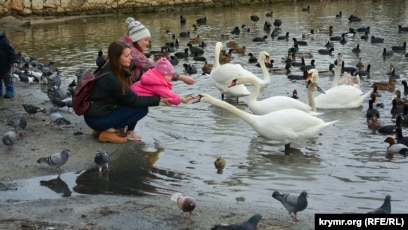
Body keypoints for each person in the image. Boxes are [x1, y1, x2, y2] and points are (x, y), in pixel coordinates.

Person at [84, 41, 170, 143]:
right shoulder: (112, 78)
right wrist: (158, 99)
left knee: (132, 102)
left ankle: (102, 129)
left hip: (94, 115)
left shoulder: (109, 66)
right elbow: (134, 100)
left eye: (130, 55)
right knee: (141, 109)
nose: (130, 58)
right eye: (126, 56)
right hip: (96, 119)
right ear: (117, 58)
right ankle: (108, 132)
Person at [119, 17, 196, 85]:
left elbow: (144, 64)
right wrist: (182, 78)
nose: (148, 43)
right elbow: (158, 69)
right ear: (136, 39)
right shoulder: (132, 52)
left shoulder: (126, 47)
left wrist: (145, 61)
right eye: (145, 40)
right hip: (126, 91)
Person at [131, 57, 196, 105]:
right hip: (133, 98)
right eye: (169, 75)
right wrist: (181, 99)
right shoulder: (156, 83)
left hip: (132, 93)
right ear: (162, 75)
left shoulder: (151, 77)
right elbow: (169, 95)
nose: (171, 78)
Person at [0, 29, 18, 98]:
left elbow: (11, 51)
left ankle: (10, 91)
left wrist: (14, 60)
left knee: (7, 78)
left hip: (5, 65)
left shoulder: (4, 40)